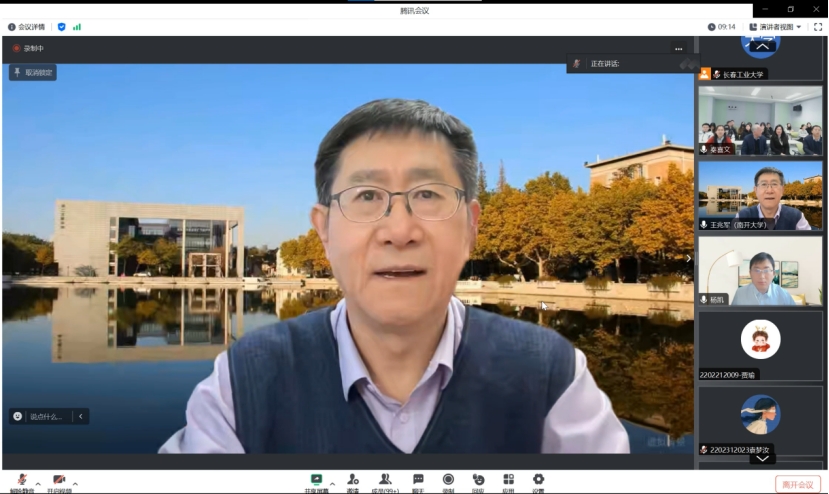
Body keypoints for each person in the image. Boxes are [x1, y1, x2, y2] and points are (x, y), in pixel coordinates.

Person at [158, 98, 630, 454]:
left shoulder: (552, 376)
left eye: (428, 195)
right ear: (324, 230)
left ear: (471, 228)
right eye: (366, 196)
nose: (400, 231)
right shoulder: (242, 383)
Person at [733, 167, 812, 230]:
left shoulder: (796, 216)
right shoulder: (741, 217)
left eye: (774, 184)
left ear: (782, 190)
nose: (769, 191)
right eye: (764, 184)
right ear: (756, 190)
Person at [732, 253, 796, 306]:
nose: (762, 276)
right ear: (750, 273)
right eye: (757, 270)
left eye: (766, 270)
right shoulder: (740, 293)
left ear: (773, 274)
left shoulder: (784, 294)